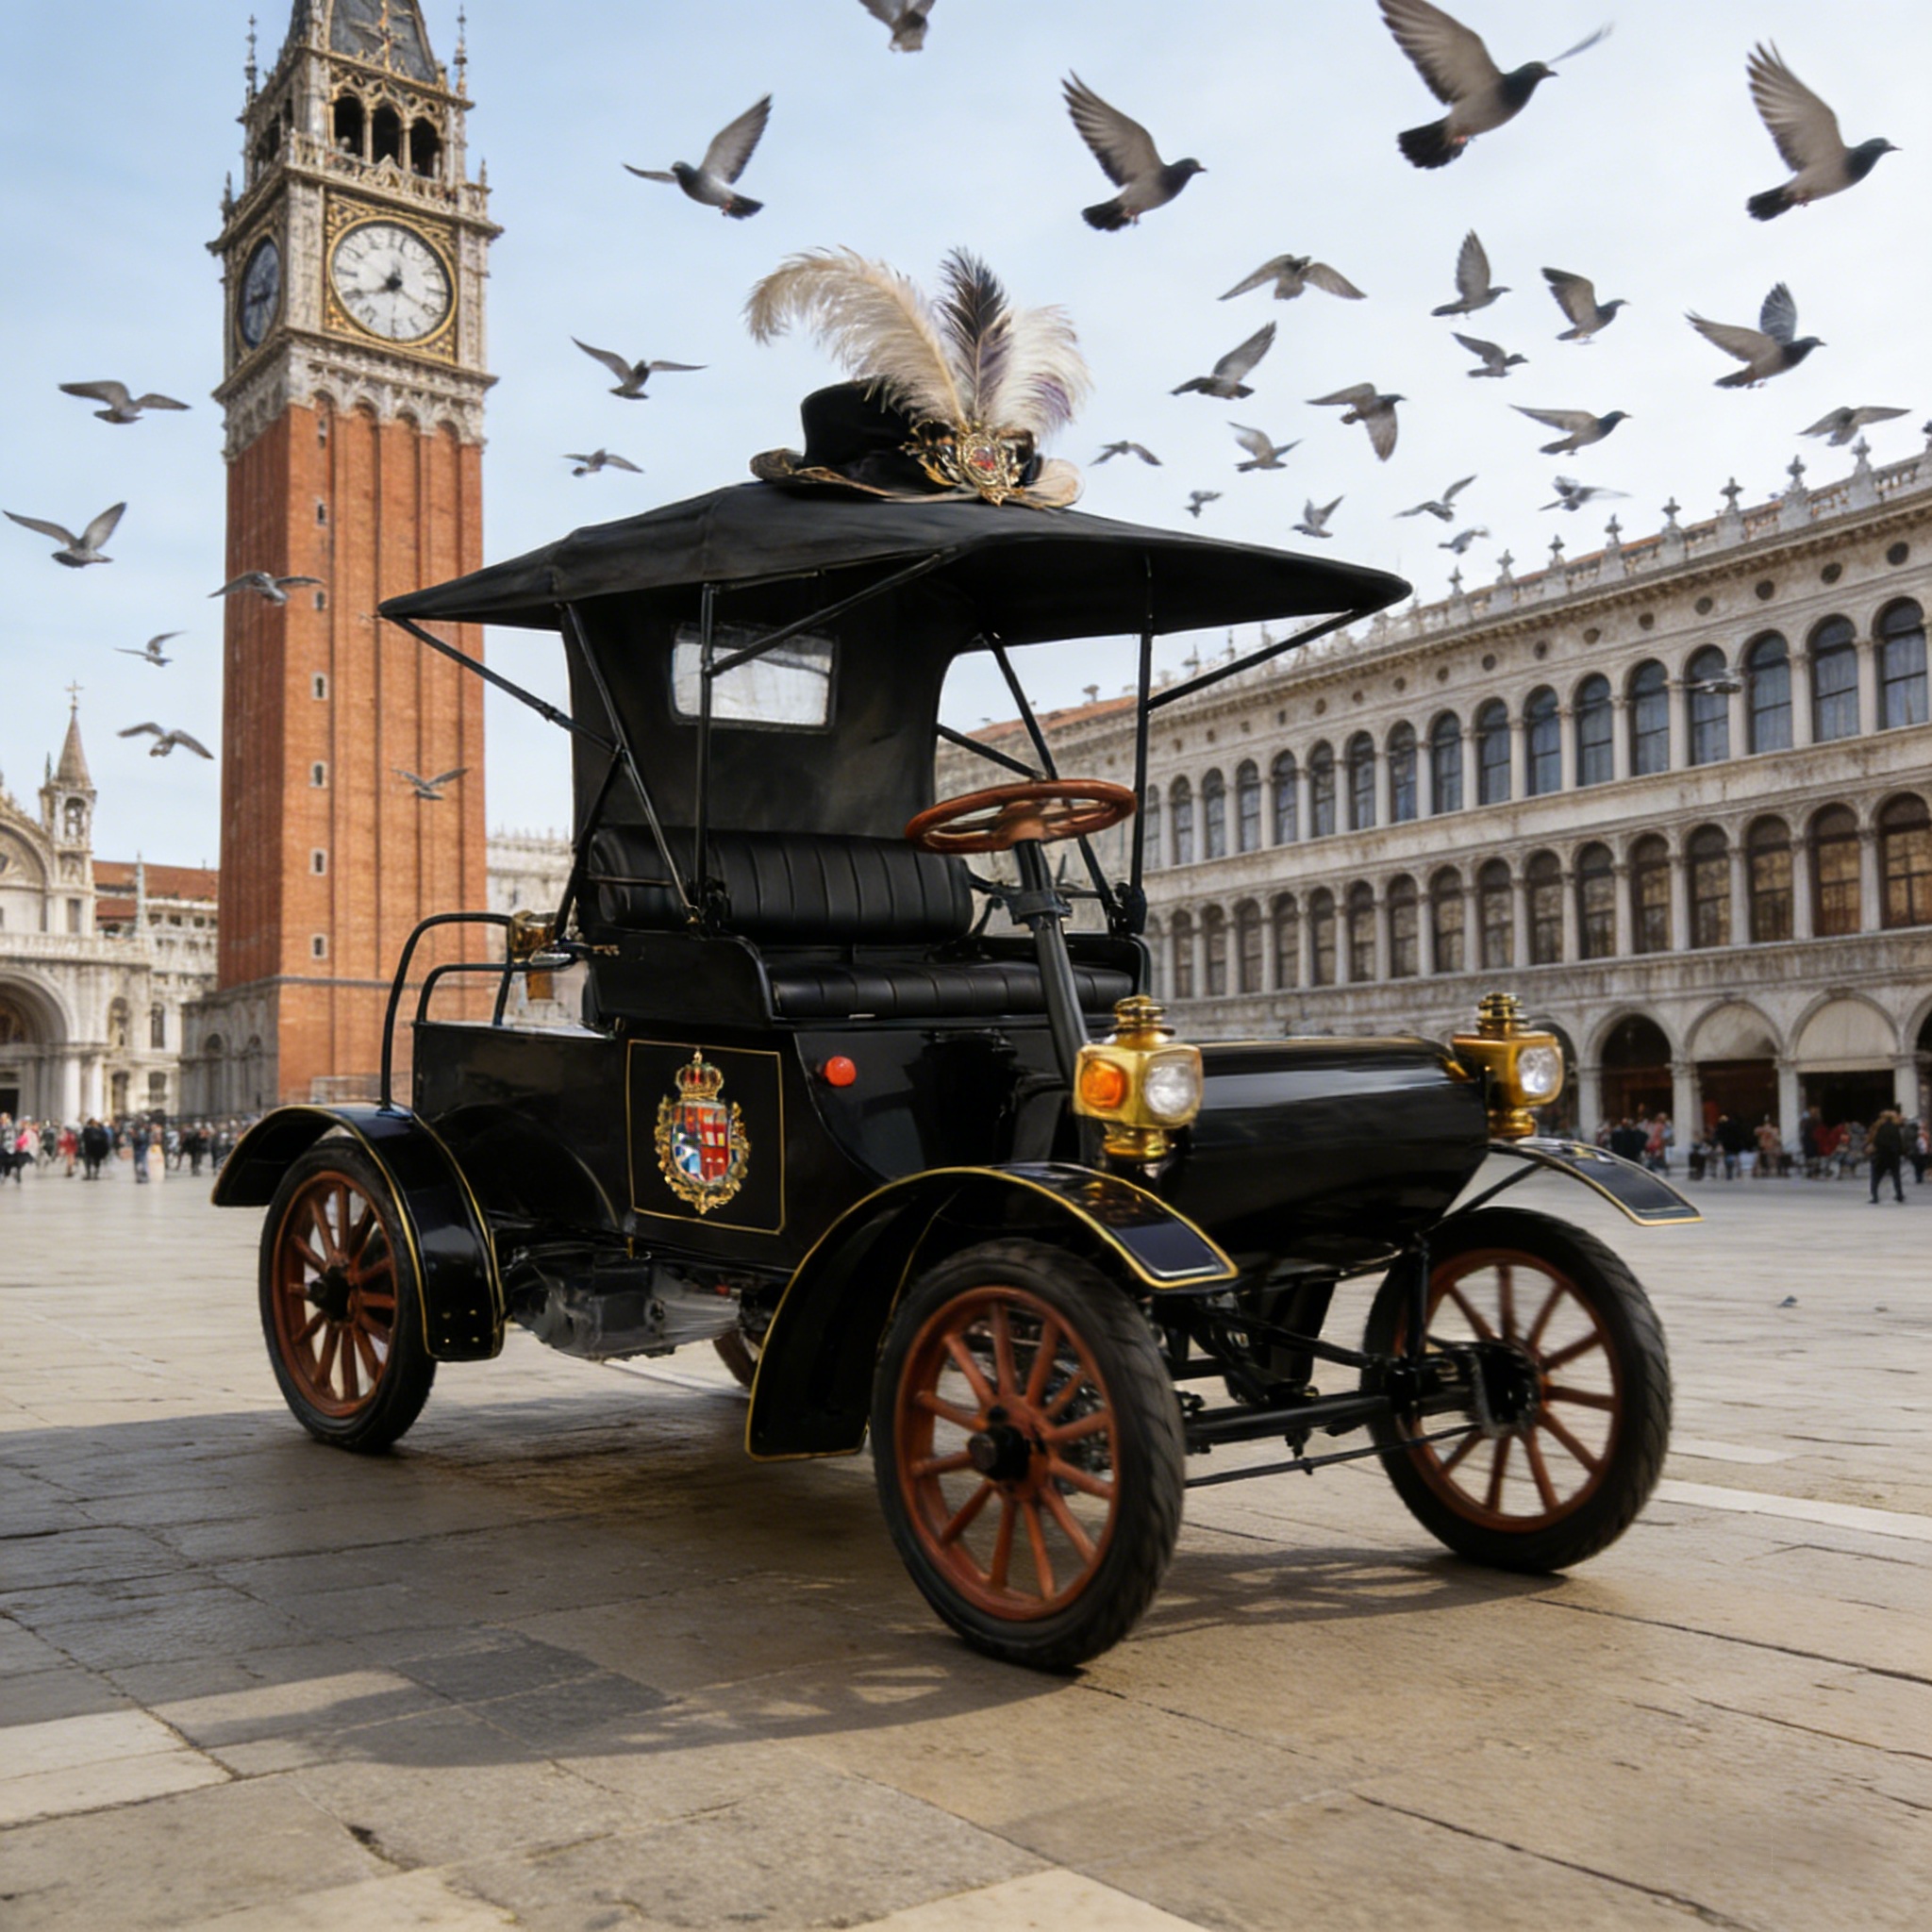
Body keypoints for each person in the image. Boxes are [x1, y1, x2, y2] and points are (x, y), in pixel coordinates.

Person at [1868, 1108, 1907, 1205]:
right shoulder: (1895, 1127)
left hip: (1881, 1155)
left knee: (1876, 1177)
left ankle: (1875, 1197)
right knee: (1896, 1176)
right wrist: (1901, 1153)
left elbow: (1877, 1141)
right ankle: (1899, 1195)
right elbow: (1899, 1142)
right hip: (1893, 1156)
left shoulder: (1879, 1127)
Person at [1714, 1112, 1748, 1180]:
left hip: (1728, 1145)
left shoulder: (1723, 1126)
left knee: (1728, 1159)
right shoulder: (1735, 1125)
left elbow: (1718, 1135)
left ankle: (1730, 1172)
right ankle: (1737, 1173)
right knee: (1734, 1159)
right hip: (1734, 1145)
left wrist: (1719, 1143)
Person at [1754, 1115, 1782, 1179]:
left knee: (1772, 1161)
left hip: (1771, 1148)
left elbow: (1777, 1139)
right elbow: (1756, 1131)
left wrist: (1770, 1132)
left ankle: (1772, 1172)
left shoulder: (1774, 1130)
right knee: (1760, 1160)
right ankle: (1760, 1172)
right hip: (1763, 1148)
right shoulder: (1761, 1130)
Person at [130, 1115, 153, 1184]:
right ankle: (140, 1177)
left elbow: (147, 1140)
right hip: (139, 1149)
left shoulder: (144, 1131)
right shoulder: (138, 1131)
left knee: (142, 1163)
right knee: (140, 1163)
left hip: (142, 1149)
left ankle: (142, 1176)